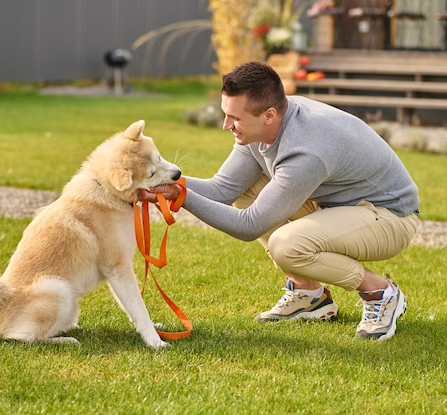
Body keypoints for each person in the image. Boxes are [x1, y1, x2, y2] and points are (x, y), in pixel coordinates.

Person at [138, 61, 420, 341]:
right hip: (343, 208)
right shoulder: (265, 126)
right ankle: (309, 295)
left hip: (389, 218)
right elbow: (223, 189)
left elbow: (249, 226)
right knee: (251, 188)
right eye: (226, 114)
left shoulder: (306, 151)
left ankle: (381, 292)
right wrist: (160, 182)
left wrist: (181, 196)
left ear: (269, 115)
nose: (226, 125)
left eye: (235, 118)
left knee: (288, 246)